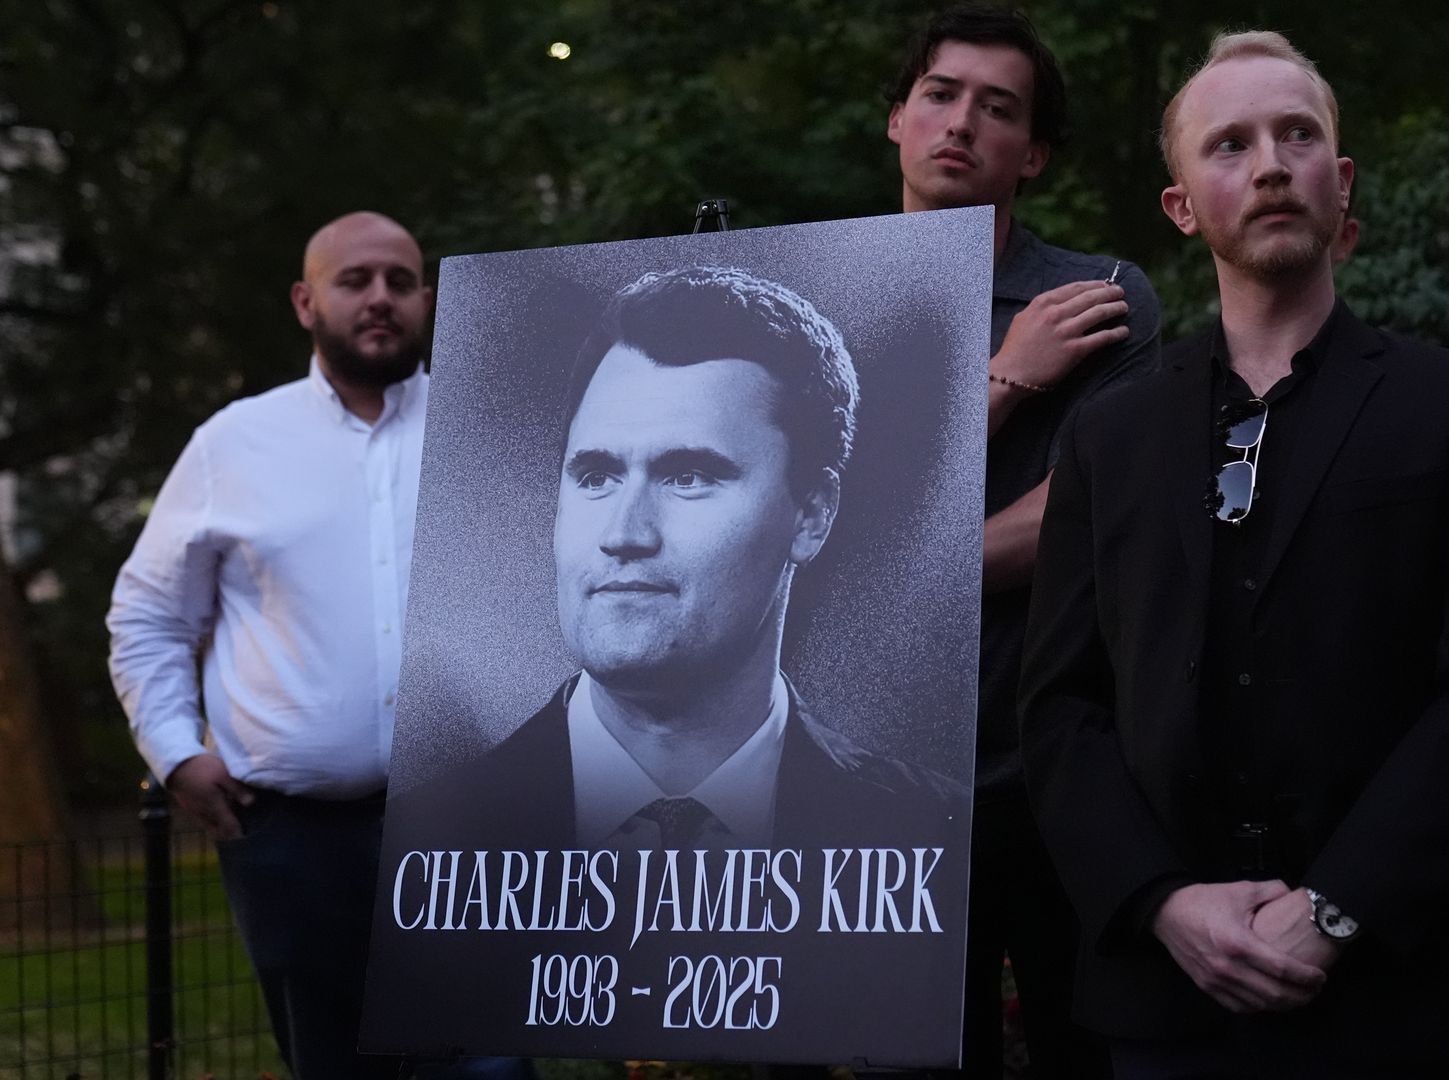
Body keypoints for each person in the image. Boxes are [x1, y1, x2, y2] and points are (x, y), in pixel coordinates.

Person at [1018, 31, 1449, 1078]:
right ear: (1181, 207)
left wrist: (1340, 907)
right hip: (1165, 1005)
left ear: (1340, 180)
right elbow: (1062, 706)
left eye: (1297, 135)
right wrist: (1162, 901)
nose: (1269, 163)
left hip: (1405, 990)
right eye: (1229, 144)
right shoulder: (1110, 434)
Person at [106, 212, 531, 1080]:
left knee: (489, 1066)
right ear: (306, 302)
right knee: (332, 1066)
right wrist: (177, 753)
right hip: (292, 842)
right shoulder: (233, 444)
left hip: (466, 827)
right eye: (355, 281)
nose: (381, 299)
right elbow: (148, 615)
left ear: (427, 299)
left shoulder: (486, 431)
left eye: (401, 282)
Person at [390, 266, 965, 851]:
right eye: (596, 476)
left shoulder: (932, 830)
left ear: (812, 514)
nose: (623, 532)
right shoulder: (433, 836)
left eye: (688, 476)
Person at [885, 6, 1159, 1076]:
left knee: (1076, 1046)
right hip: (871, 772)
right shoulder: (816, 291)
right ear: (897, 120)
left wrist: (873, 571)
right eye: (942, 95)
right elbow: (806, 525)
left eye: (999, 109)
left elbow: (1084, 521)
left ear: (1032, 152)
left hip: (1050, 755)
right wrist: (1005, 382)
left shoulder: (1097, 298)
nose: (963, 123)